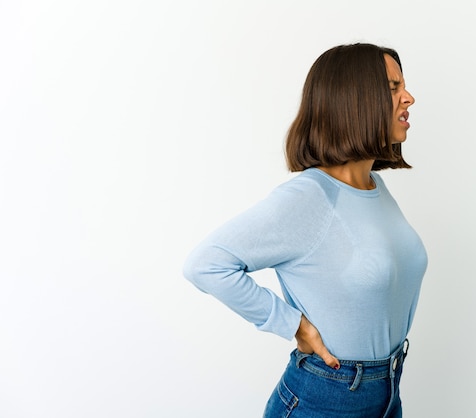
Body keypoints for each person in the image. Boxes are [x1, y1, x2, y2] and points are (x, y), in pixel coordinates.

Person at [183, 43, 428, 418]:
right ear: (354, 100)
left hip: (387, 392)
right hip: (326, 397)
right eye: (393, 88)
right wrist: (293, 324)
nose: (408, 98)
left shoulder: (376, 188)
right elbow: (206, 264)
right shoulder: (309, 198)